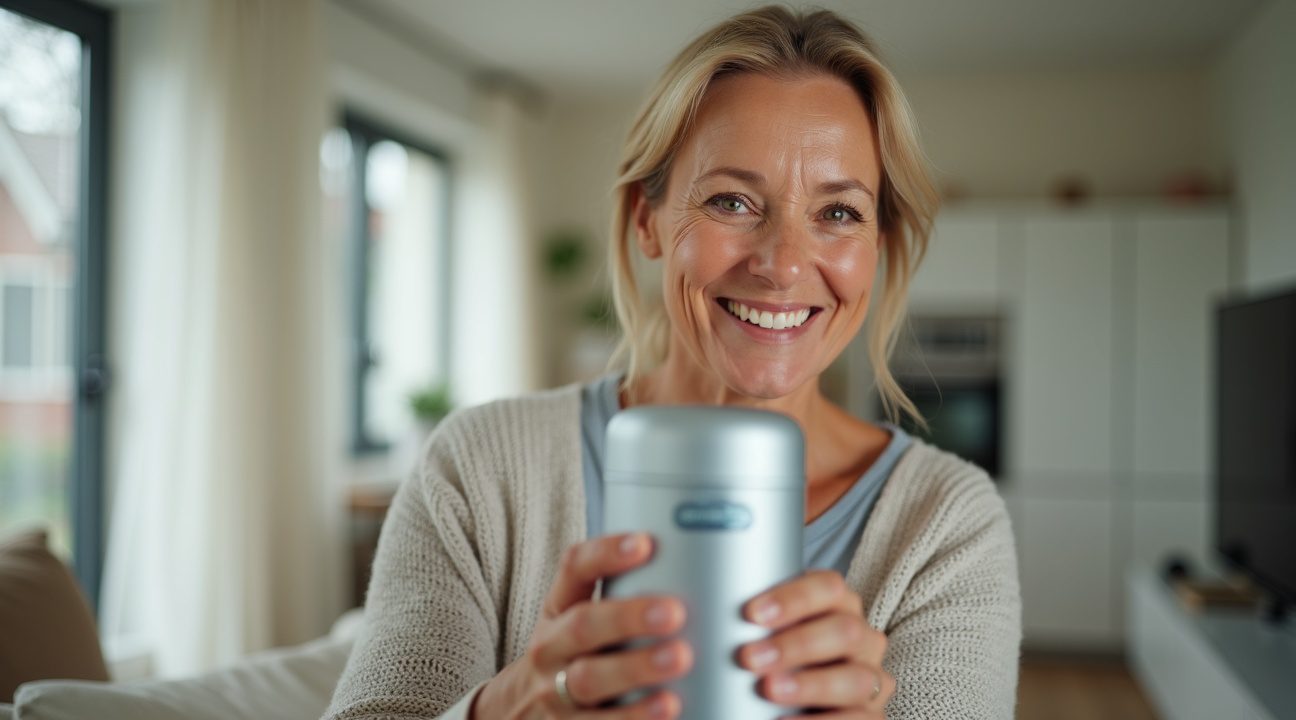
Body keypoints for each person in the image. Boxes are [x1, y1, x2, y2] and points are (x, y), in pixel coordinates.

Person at [324, 6, 1021, 719]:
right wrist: (500, 709)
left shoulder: (946, 524)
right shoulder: (482, 468)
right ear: (646, 222)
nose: (782, 265)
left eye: (838, 213)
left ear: (877, 246)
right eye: (731, 201)